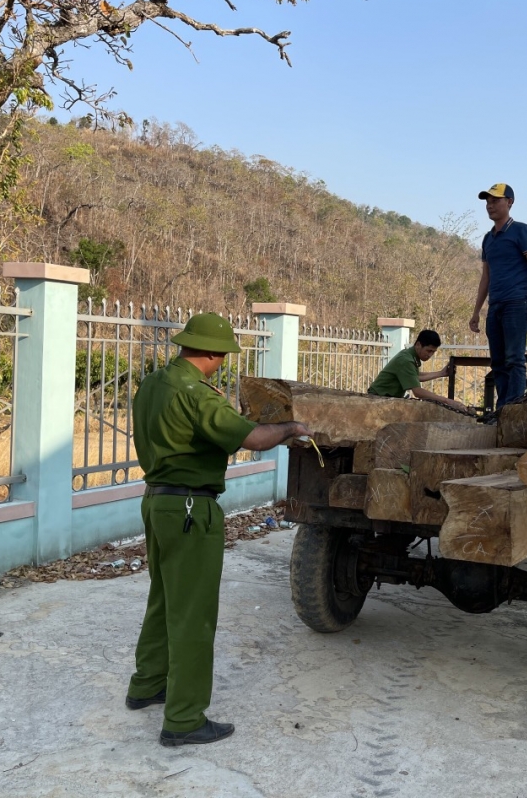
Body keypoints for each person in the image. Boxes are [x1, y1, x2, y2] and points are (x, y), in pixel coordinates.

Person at [126, 313, 312, 747]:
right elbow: (251, 437)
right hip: (192, 507)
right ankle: (184, 718)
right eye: (223, 356)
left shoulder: (153, 383)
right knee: (193, 613)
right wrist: (290, 429)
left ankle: (147, 683)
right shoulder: (197, 394)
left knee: (164, 598)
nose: (222, 363)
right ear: (210, 353)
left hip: (156, 501)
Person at [468, 183, 527, 408]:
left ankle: (514, 409)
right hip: (496, 306)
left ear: (509, 202)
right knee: (498, 362)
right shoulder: (488, 239)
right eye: (488, 202)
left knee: (514, 359)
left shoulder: (521, 230)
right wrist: (476, 312)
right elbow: (486, 278)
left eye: (496, 201)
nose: (490, 205)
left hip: (516, 303)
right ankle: (502, 410)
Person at [367, 329, 473, 414]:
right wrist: (447, 401)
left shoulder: (410, 355)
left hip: (385, 400)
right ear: (418, 344)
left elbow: (415, 376)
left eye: (433, 352)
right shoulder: (406, 360)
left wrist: (440, 373)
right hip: (377, 400)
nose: (430, 355)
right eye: (429, 351)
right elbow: (417, 392)